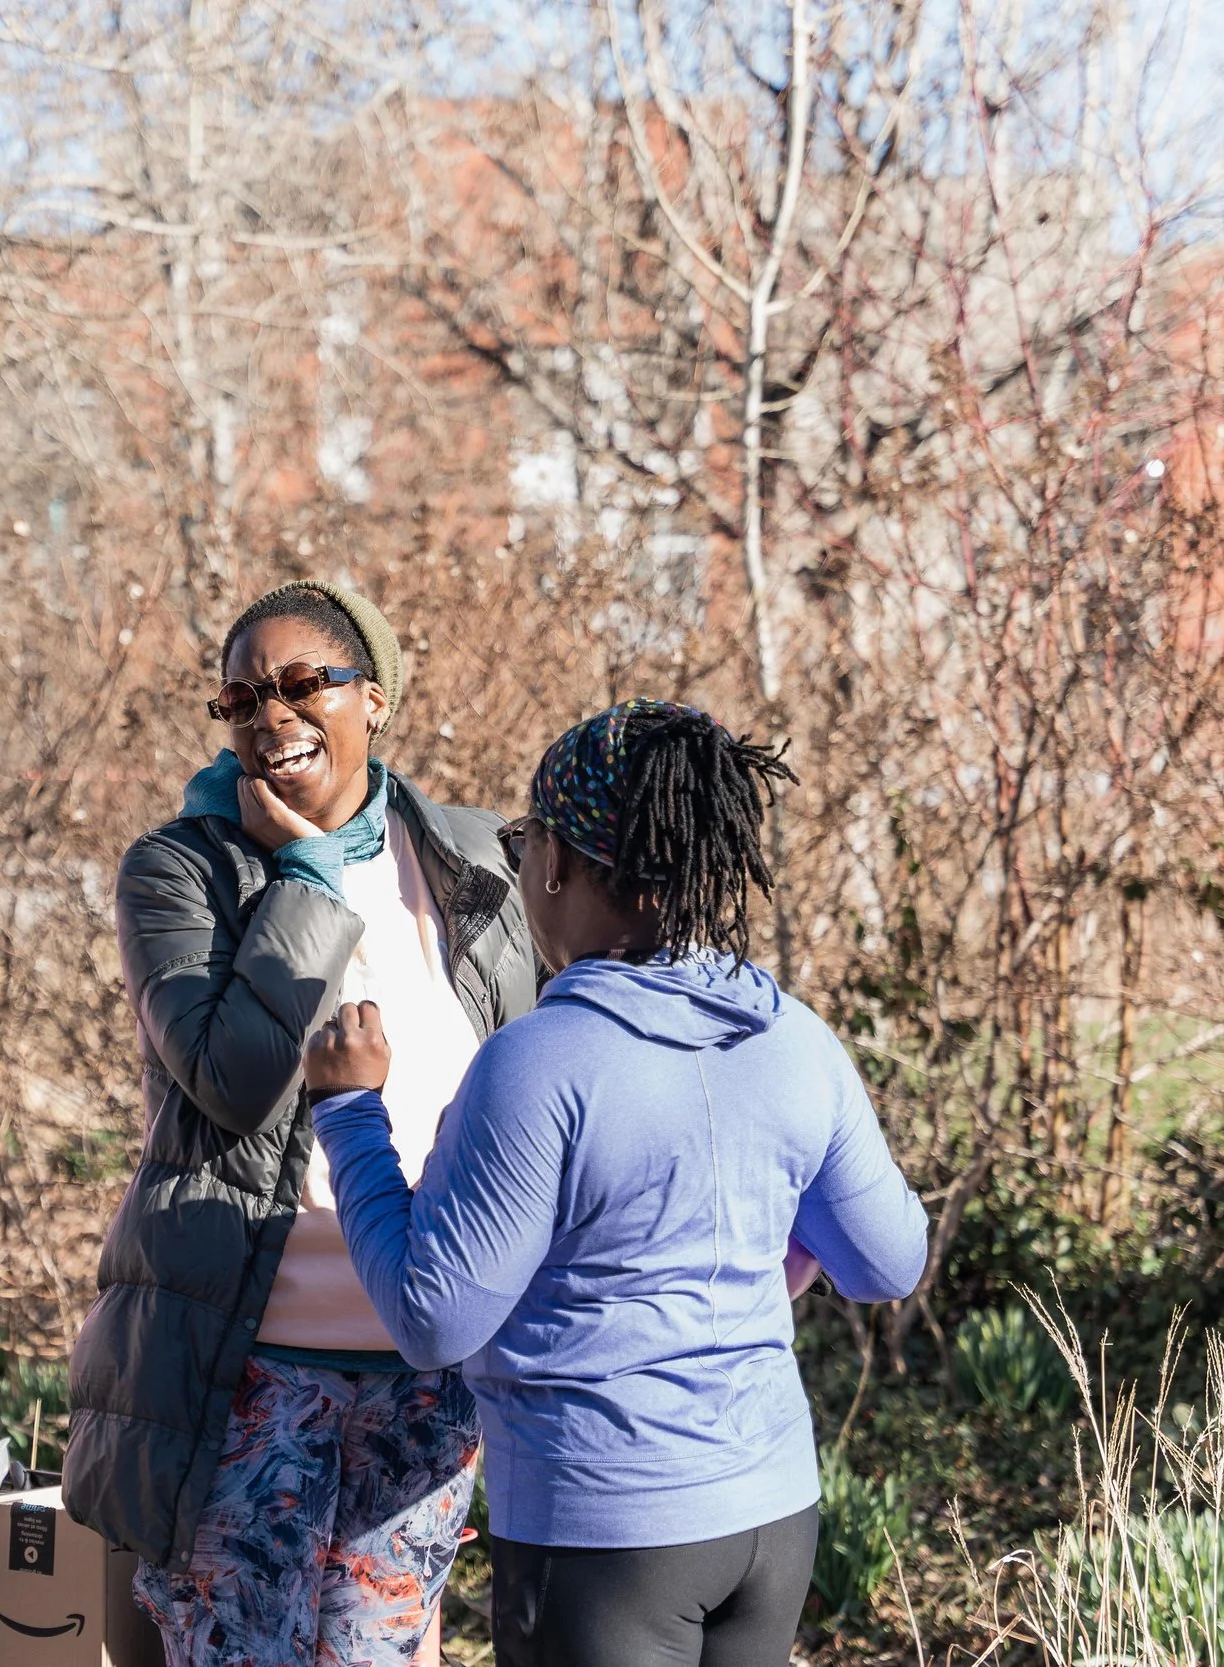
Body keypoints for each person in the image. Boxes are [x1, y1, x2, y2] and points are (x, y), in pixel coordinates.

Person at [302, 699, 931, 1667]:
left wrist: (349, 1116)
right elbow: (888, 1261)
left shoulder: (537, 1064)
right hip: (769, 1515)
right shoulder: (795, 1038)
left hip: (602, 1527)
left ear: (553, 860)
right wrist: (759, 1252)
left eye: (523, 844)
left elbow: (432, 1315)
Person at [65, 580, 538, 1664]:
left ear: (370, 698)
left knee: (379, 1650)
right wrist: (310, 880)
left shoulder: (476, 861)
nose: (268, 716)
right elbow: (229, 1077)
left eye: (299, 684)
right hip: (252, 1359)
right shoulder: (180, 869)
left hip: (430, 1365)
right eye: (240, 698)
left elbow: (535, 1070)